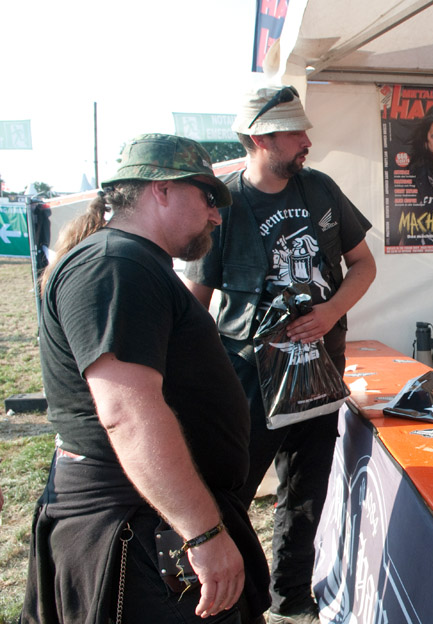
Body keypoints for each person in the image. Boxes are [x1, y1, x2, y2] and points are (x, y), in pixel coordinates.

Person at [22, 134, 270, 622]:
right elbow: (127, 415)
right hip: (139, 530)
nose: (217, 215)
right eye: (208, 197)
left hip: (153, 519)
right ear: (161, 189)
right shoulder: (116, 264)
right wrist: (202, 534)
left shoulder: (131, 263)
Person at [183, 85, 376, 624]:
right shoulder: (221, 204)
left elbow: (363, 265)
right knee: (232, 492)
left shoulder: (321, 189)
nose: (307, 141)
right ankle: (230, 599)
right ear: (259, 138)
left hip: (320, 371)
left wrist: (331, 311)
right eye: (295, 133)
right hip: (248, 378)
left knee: (307, 490)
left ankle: (291, 598)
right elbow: (196, 303)